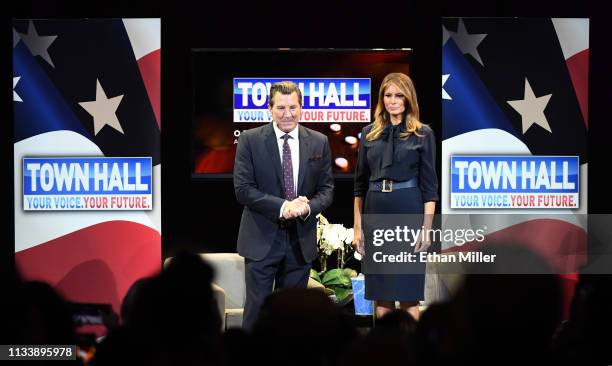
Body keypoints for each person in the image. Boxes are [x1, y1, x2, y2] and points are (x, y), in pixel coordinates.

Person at [234, 81, 334, 330]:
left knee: (293, 319)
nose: (287, 114)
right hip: (260, 238)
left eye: (292, 107)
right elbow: (243, 190)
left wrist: (307, 207)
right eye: (280, 107)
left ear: (301, 108)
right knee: (256, 314)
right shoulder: (249, 140)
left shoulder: (319, 141)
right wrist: (284, 207)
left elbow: (327, 189)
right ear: (270, 109)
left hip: (300, 241)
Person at [353, 72, 438, 320]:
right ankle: (385, 350)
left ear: (408, 98)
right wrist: (358, 228)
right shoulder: (368, 133)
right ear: (382, 99)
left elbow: (430, 187)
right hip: (375, 211)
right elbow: (358, 186)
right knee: (382, 294)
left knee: (408, 292)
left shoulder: (423, 133)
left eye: (399, 95)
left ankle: (413, 351)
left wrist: (427, 229)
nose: (393, 101)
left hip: (408, 211)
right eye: (388, 95)